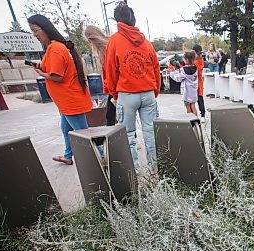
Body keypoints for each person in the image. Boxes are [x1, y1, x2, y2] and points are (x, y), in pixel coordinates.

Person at [28, 14, 92, 166]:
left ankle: (102, 160)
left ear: (46, 28)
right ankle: (68, 156)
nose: (35, 35)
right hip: (66, 101)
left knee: (84, 134)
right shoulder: (55, 47)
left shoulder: (55, 48)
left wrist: (42, 73)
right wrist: (41, 67)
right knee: (66, 128)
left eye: (36, 30)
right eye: (33, 31)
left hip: (69, 101)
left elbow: (57, 77)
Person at [104, 2, 161, 172]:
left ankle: (134, 171)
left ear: (117, 20)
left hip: (127, 94)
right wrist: (154, 89)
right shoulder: (145, 41)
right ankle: (154, 168)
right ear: (133, 20)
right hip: (148, 92)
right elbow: (155, 67)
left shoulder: (114, 40)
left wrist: (114, 93)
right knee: (150, 132)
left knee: (128, 135)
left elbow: (110, 70)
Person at [83, 25, 116, 126]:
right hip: (113, 86)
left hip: (116, 86)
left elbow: (111, 70)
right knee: (112, 115)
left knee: (113, 115)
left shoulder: (109, 46)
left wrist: (109, 87)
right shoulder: (106, 46)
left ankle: (123, 138)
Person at [169, 50, 198, 116]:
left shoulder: (184, 70)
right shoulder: (195, 68)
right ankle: (197, 122)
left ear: (187, 59)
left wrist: (172, 72)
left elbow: (177, 78)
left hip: (187, 91)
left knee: (187, 106)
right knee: (193, 105)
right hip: (193, 90)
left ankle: (191, 121)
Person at [192, 44, 206, 123]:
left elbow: (196, 68)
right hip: (192, 84)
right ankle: (192, 116)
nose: (199, 55)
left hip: (198, 84)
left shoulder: (200, 61)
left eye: (200, 53)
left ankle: (203, 114)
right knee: (191, 101)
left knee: (200, 99)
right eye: (198, 53)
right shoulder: (193, 60)